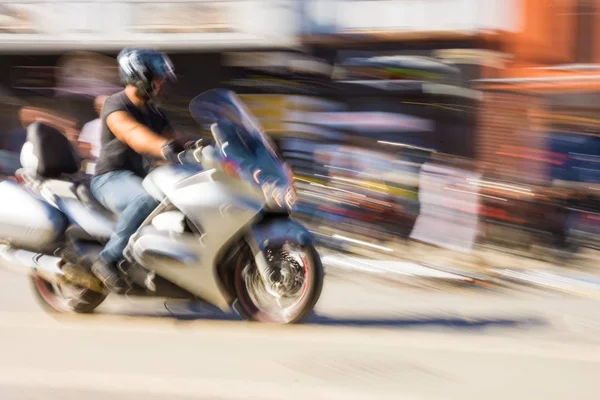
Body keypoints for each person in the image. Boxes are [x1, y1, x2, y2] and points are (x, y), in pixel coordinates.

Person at [90, 48, 185, 292]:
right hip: (110, 178)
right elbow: (133, 134)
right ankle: (107, 259)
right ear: (139, 75)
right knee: (146, 200)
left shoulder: (155, 113)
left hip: (143, 178)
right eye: (157, 78)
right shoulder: (116, 103)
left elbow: (177, 139)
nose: (161, 84)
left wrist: (206, 148)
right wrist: (163, 147)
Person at [78, 95, 108, 174]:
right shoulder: (90, 126)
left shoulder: (120, 125)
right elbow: (83, 151)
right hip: (95, 168)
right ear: (99, 108)